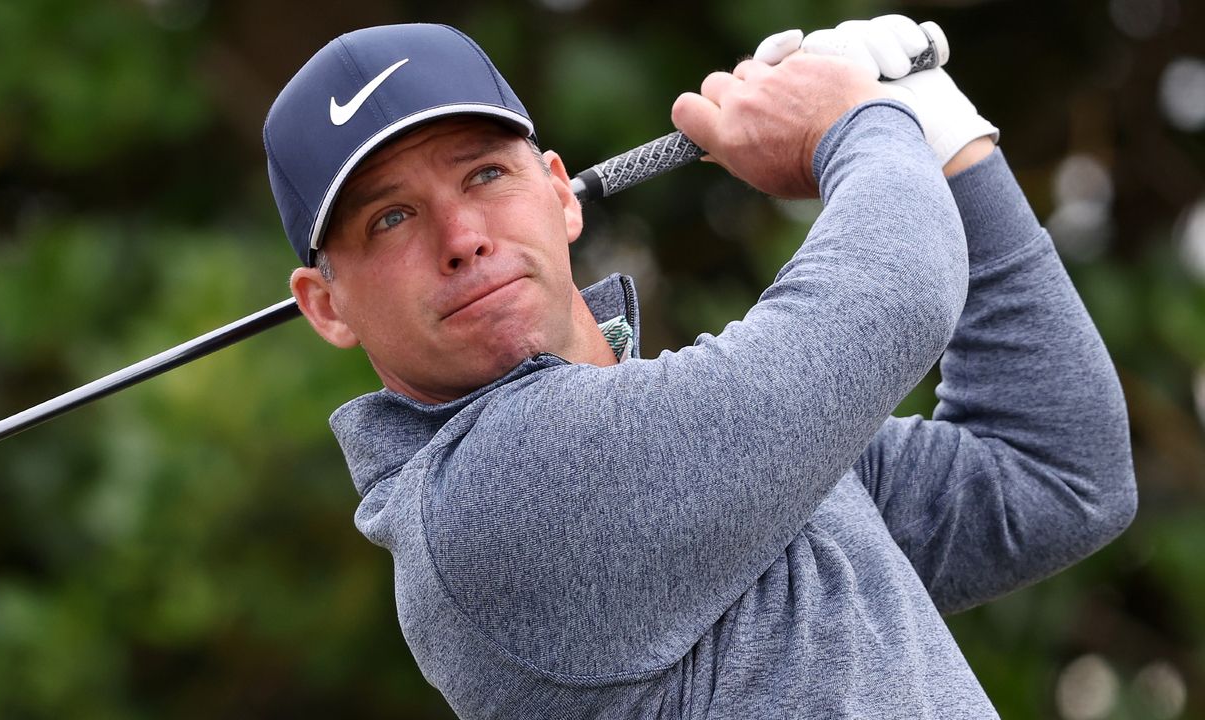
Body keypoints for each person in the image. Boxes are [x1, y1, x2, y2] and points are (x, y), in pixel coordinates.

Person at [262, 17, 1136, 719]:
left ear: (561, 193)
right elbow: (896, 293)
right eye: (390, 220)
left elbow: (1054, 476)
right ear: (326, 304)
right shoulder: (486, 500)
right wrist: (860, 122)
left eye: (485, 174)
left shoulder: (716, 440)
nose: (463, 239)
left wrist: (947, 138)